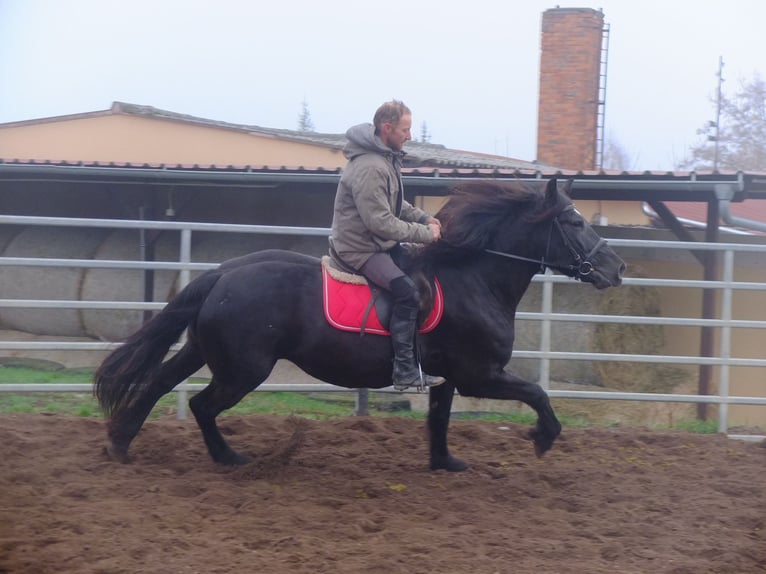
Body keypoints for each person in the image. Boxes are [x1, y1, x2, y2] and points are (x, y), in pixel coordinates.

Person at [329, 100, 444, 390]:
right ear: (387, 128)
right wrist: (425, 233)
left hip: (378, 244)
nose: (410, 135)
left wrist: (426, 217)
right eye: (405, 129)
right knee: (406, 293)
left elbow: (396, 204)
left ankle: (420, 361)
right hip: (361, 249)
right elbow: (379, 222)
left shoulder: (384, 158)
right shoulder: (370, 167)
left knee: (422, 277)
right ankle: (404, 372)